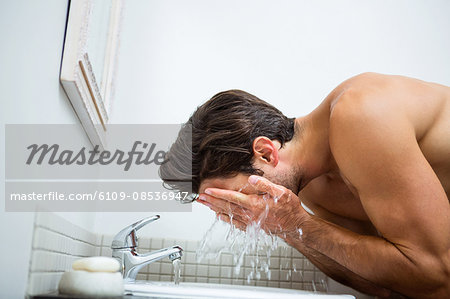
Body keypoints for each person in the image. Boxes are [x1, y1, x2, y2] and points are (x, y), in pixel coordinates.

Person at [160, 72, 450, 298]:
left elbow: (438, 279)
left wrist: (298, 223)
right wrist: (287, 229)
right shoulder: (309, 186)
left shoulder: (361, 114)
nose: (240, 211)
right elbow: (380, 284)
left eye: (237, 197)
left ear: (265, 153)